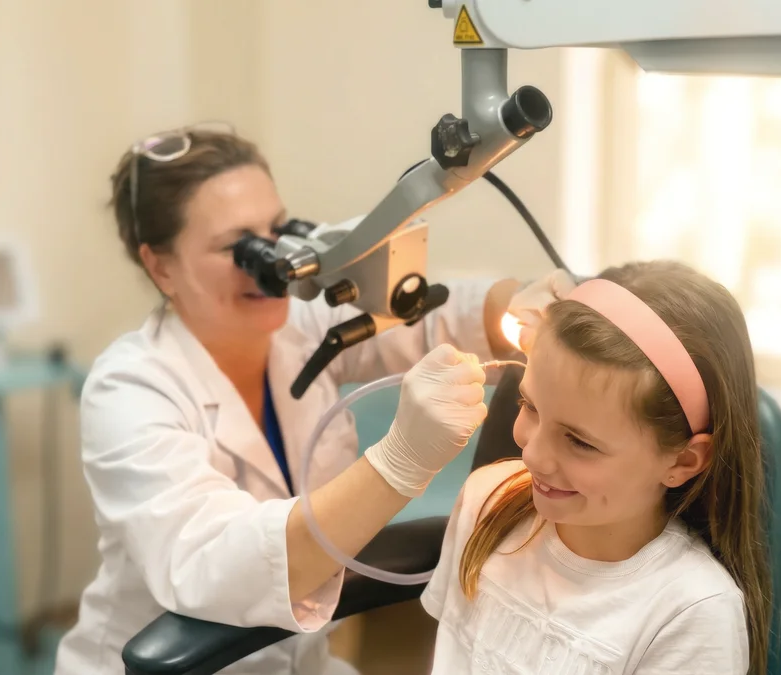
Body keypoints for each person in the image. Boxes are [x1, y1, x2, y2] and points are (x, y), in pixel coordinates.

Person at [53, 121, 575, 675]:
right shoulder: (130, 389)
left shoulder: (297, 323)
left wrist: (519, 308)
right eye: (240, 246)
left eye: (278, 231)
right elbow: (216, 564)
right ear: (160, 266)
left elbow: (426, 319)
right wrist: (399, 463)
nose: (276, 263)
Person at [421, 260, 773, 674]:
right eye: (529, 406)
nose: (532, 456)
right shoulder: (488, 499)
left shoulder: (690, 611)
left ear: (682, 460)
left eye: (579, 441)